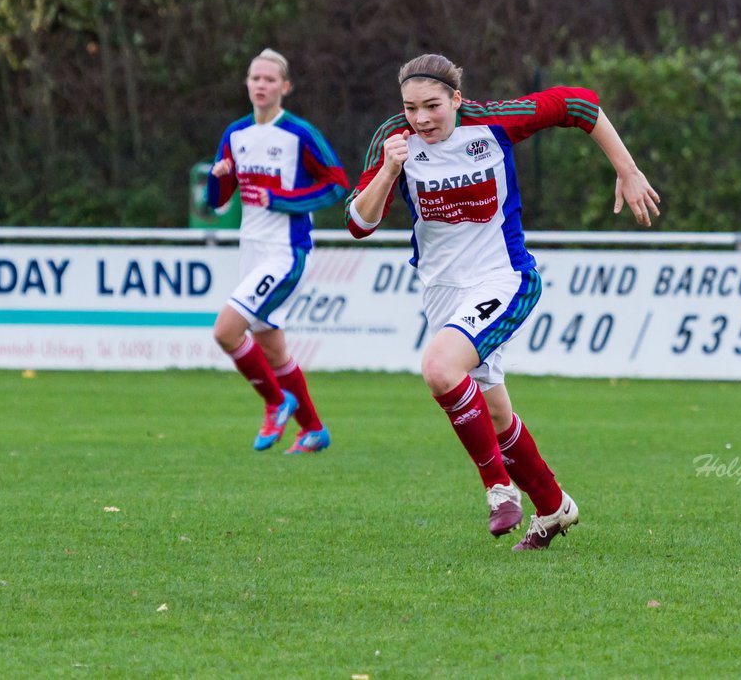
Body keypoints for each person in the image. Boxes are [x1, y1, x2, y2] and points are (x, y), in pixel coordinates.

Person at [346, 53, 661, 549]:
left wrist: (627, 168)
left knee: (439, 369)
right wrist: (388, 171)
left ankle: (499, 488)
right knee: (494, 416)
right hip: (442, 296)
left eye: (433, 106)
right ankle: (555, 507)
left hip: (504, 280)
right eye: (411, 108)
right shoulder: (396, 140)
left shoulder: (492, 122)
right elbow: (359, 224)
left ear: (456, 99)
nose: (422, 118)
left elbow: (578, 105)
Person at [206, 48, 349, 453]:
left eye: (270, 79)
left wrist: (282, 200)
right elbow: (216, 201)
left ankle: (275, 402)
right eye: (255, 78)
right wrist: (220, 178)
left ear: (285, 87)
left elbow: (337, 183)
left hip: (287, 253)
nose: (261, 85)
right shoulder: (235, 134)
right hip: (250, 251)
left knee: (226, 331)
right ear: (247, 84)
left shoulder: (299, 134)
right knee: (272, 347)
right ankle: (314, 430)